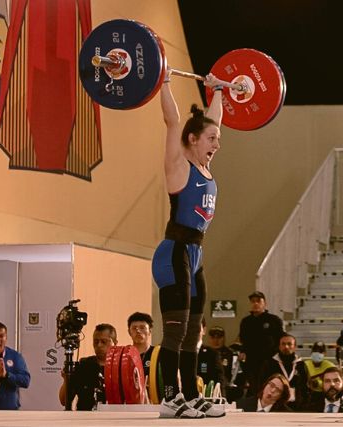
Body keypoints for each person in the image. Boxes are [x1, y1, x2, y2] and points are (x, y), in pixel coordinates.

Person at [152, 68, 231, 419]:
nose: (217, 144)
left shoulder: (204, 164)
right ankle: (171, 399)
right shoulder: (178, 166)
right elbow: (172, 123)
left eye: (217, 139)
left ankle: (190, 394)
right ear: (194, 139)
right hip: (174, 254)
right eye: (212, 139)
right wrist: (163, 80)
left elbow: (213, 117)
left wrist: (216, 90)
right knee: (175, 331)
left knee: (193, 334)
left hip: (195, 257)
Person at [58, 323, 117, 410]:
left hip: (113, 419)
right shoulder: (83, 365)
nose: (99, 345)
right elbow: (64, 401)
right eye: (96, 342)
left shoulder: (121, 367)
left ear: (115, 343)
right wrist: (66, 380)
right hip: (84, 420)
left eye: (104, 342)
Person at [239, 291, 284, 395]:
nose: (255, 303)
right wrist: (242, 351)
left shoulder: (274, 320)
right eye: (253, 301)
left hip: (269, 360)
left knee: (268, 385)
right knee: (254, 387)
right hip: (252, 360)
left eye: (258, 301)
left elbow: (280, 338)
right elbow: (243, 340)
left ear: (265, 303)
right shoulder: (246, 322)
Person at [257, 333, 309, 410]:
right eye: (283, 344)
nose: (286, 347)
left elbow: (305, 386)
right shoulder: (270, 363)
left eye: (289, 344)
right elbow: (263, 384)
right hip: (274, 406)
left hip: (297, 406)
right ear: (279, 346)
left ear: (295, 347)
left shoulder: (301, 364)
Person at [197, 319, 226, 393]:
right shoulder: (180, 353)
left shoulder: (212, 354)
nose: (193, 331)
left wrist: (220, 400)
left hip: (206, 397)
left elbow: (219, 380)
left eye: (197, 327)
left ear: (204, 330)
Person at [127, 312, 154, 377]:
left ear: (150, 331)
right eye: (134, 328)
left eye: (142, 327)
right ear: (129, 332)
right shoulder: (124, 355)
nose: (138, 331)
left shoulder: (158, 354)